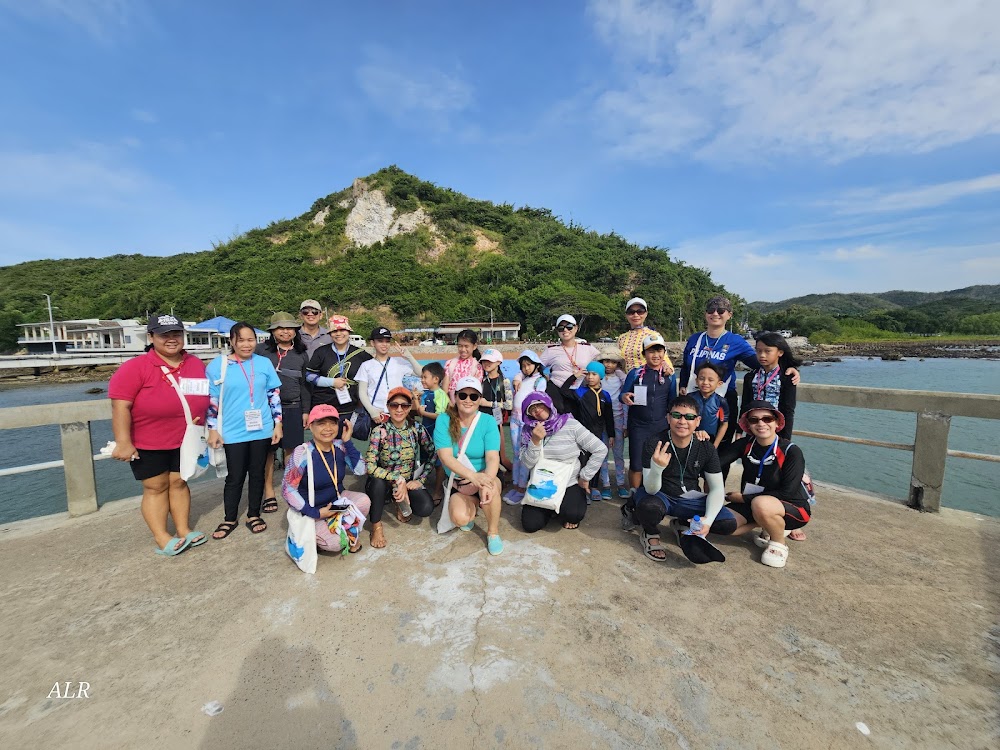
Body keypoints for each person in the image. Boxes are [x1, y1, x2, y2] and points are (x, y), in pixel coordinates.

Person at [108, 313, 210, 556]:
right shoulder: (135, 367)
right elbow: (120, 406)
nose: (172, 339)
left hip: (187, 438)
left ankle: (183, 529)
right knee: (155, 486)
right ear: (151, 337)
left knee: (179, 481)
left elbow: (204, 395)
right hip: (149, 439)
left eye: (176, 334)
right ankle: (162, 535)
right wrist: (124, 442)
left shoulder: (195, 363)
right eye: (165, 335)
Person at [626, 395, 738, 562]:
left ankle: (683, 525)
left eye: (690, 417)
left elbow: (716, 488)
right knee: (649, 507)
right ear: (668, 418)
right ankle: (650, 533)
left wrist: (708, 521)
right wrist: (657, 468)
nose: (682, 421)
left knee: (727, 523)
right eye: (677, 415)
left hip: (689, 497)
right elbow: (650, 489)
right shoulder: (654, 443)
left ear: (698, 421)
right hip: (660, 494)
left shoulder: (706, 447)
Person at [679, 295, 799, 449]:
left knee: (719, 447)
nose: (715, 313)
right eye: (711, 309)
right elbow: (685, 367)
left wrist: (789, 368)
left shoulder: (736, 341)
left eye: (721, 310)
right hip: (693, 399)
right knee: (689, 442)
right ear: (705, 313)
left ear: (729, 315)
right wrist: (682, 384)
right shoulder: (695, 339)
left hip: (722, 401)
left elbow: (762, 362)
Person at [206, 321, 283, 539]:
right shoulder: (217, 365)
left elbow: (273, 396)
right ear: (232, 341)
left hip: (262, 428)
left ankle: (253, 514)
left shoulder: (264, 363)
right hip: (232, 430)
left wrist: (278, 425)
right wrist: (212, 429)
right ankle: (229, 517)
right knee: (235, 475)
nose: (247, 345)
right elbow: (212, 400)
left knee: (257, 473)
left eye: (251, 340)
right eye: (241, 340)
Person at [718, 401, 813, 569]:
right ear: (748, 425)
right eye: (754, 420)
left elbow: (788, 493)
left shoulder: (792, 451)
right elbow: (716, 463)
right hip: (754, 503)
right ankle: (764, 522)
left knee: (760, 504)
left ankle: (778, 542)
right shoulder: (745, 444)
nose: (761, 424)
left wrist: (743, 498)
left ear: (777, 423)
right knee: (719, 525)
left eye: (767, 419)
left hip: (793, 507)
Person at [281, 405, 371, 555]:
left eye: (332, 423)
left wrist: (348, 441)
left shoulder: (340, 447)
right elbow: (287, 490)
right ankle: (324, 531)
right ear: (311, 426)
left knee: (364, 501)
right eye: (321, 423)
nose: (328, 428)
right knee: (335, 544)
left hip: (335, 505)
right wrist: (316, 513)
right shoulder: (302, 453)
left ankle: (340, 527)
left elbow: (361, 470)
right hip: (313, 510)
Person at [434, 377, 504, 555]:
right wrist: (473, 477)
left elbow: (492, 458)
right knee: (460, 519)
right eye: (463, 395)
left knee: (492, 489)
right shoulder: (444, 420)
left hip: (484, 474)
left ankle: (493, 532)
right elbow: (445, 457)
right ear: (455, 397)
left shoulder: (487, 421)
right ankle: (474, 503)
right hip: (460, 481)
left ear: (480, 400)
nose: (468, 399)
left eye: (474, 396)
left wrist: (486, 481)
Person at [519, 392, 607, 532]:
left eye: (539, 404)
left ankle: (561, 506)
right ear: (528, 415)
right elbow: (527, 464)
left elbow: (600, 449)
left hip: (569, 482)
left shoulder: (570, 424)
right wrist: (535, 441)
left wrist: (585, 477)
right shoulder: (528, 431)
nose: (536, 410)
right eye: (531, 409)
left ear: (548, 403)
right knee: (530, 525)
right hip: (541, 482)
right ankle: (550, 509)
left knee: (573, 515)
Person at [364, 386, 438, 547]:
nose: (399, 409)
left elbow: (433, 453)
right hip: (384, 482)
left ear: (410, 407)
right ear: (388, 406)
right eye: (394, 405)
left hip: (407, 481)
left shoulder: (416, 429)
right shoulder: (379, 431)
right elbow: (369, 466)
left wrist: (421, 480)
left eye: (404, 405)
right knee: (376, 483)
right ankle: (376, 525)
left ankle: (400, 502)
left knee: (426, 508)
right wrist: (397, 479)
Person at [256, 312, 310, 514]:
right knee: (268, 451)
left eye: (289, 328)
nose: (285, 331)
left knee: (291, 451)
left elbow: (304, 385)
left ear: (295, 330)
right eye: (280, 328)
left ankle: (290, 487)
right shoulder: (261, 351)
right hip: (266, 409)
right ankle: (269, 491)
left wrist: (306, 410)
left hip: (293, 406)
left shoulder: (301, 353)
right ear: (272, 331)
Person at [620, 334, 677, 493]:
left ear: (664, 353)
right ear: (644, 354)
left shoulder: (670, 376)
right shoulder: (635, 373)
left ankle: (658, 493)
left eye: (659, 351)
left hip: (661, 426)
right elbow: (623, 394)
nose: (655, 355)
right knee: (636, 463)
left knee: (659, 462)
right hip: (638, 425)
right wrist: (624, 397)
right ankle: (634, 495)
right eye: (651, 351)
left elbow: (673, 402)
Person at [305, 314, 372, 436]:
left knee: (346, 445)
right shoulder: (321, 352)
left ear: (348, 331)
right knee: (325, 444)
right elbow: (309, 375)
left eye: (342, 330)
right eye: (335, 331)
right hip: (324, 407)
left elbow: (374, 373)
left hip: (349, 409)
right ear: (330, 333)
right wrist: (331, 382)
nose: (339, 333)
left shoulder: (361, 354)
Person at [559, 361, 614, 503]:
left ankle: (594, 487)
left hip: (598, 433)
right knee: (583, 461)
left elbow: (609, 417)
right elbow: (564, 391)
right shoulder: (581, 392)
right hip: (583, 434)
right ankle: (582, 489)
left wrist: (612, 434)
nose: (590, 377)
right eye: (588, 374)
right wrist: (574, 377)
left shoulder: (606, 395)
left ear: (600, 376)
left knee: (596, 461)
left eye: (594, 374)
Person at [355, 326, 422, 426]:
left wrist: (409, 357)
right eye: (380, 341)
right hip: (378, 414)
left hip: (398, 412)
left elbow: (421, 373)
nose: (384, 344)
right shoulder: (366, 366)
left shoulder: (399, 362)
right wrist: (372, 411)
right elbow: (362, 392)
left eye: (387, 341)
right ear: (373, 343)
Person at [505, 349, 547, 505]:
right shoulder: (522, 378)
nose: (526, 368)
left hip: (527, 422)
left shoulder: (540, 381)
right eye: (523, 365)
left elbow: (539, 401)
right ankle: (516, 484)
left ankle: (522, 488)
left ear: (536, 365)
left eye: (529, 365)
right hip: (515, 420)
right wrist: (518, 376)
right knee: (516, 453)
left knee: (524, 455)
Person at [740, 331, 799, 440]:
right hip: (754, 427)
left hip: (776, 430)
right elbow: (744, 405)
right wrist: (739, 431)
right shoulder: (750, 377)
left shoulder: (786, 377)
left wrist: (786, 440)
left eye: (768, 351)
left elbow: (788, 410)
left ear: (780, 352)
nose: (762, 355)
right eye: (758, 351)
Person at [596, 346, 630, 500]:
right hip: (601, 421)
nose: (608, 365)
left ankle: (621, 484)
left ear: (617, 364)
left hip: (618, 420)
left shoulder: (622, 379)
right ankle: (606, 484)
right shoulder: (597, 378)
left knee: (618, 454)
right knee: (602, 454)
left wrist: (625, 425)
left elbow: (625, 403)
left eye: (612, 362)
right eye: (605, 361)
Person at [414, 361, 448, 501]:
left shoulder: (440, 395)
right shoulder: (427, 394)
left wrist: (424, 413)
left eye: (425, 377)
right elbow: (420, 411)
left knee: (438, 463)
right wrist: (415, 398)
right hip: (425, 434)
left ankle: (438, 490)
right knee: (423, 458)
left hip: (436, 434)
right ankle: (421, 484)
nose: (422, 380)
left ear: (436, 379)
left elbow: (440, 416)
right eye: (421, 377)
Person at [617, 297, 674, 374]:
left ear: (646, 314)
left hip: (646, 378)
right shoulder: (622, 338)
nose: (635, 315)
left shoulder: (653, 335)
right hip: (626, 381)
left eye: (640, 312)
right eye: (631, 312)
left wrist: (668, 368)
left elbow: (663, 356)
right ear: (626, 315)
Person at [540, 314, 600, 388]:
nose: (565, 330)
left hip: (581, 390)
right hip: (558, 389)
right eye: (561, 328)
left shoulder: (588, 348)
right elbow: (534, 366)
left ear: (576, 328)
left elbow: (605, 362)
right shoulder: (551, 350)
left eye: (569, 327)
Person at [478, 348, 513, 472]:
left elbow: (509, 405)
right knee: (483, 451)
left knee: (500, 455)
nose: (486, 364)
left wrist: (489, 403)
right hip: (481, 420)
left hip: (495, 422)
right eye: (484, 361)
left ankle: (514, 475)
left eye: (490, 361)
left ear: (499, 362)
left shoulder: (505, 381)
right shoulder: (481, 381)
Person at [690, 361, 729, 449]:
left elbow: (724, 424)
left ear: (719, 383)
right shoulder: (689, 398)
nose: (705, 382)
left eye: (710, 380)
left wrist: (715, 445)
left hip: (710, 440)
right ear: (696, 381)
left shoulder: (721, 402)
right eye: (701, 378)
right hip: (690, 437)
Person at [442, 329, 484, 399]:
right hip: (450, 406)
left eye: (466, 346)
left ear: (474, 346)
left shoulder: (478, 367)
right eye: (460, 346)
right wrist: (450, 406)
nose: (463, 349)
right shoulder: (449, 364)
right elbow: (445, 389)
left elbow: (475, 390)